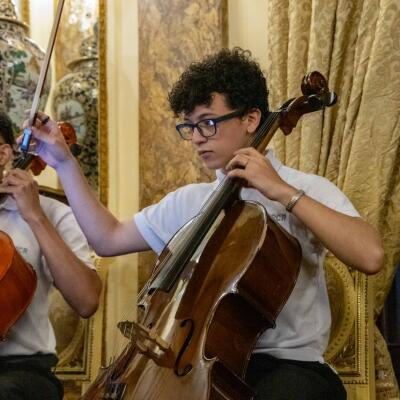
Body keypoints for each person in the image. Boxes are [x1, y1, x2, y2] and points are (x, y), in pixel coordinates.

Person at [17, 48, 384, 399]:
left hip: (288, 369)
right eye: (189, 127)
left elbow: (370, 256)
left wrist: (281, 190)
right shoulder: (191, 202)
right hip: (195, 365)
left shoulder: (304, 188)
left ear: (250, 119)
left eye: (207, 124)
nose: (195, 139)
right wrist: (63, 162)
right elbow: (107, 238)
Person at [0, 111, 102, 400]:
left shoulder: (53, 213)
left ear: (4, 154)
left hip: (22, 372)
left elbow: (86, 300)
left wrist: (35, 217)